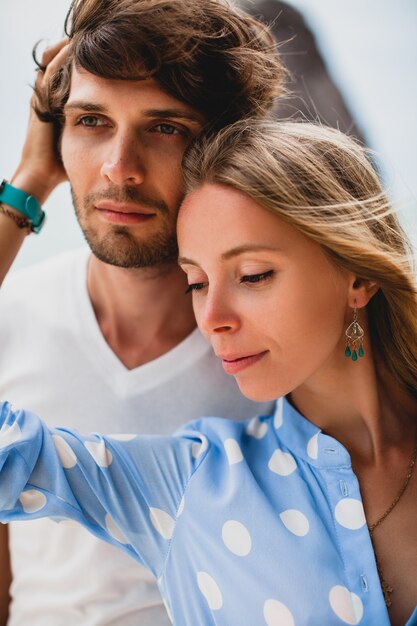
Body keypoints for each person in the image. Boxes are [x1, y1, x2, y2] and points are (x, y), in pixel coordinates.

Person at [1, 118, 417, 626]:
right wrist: (27, 187)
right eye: (195, 282)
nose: (213, 319)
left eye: (252, 275)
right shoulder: (185, 482)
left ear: (359, 276)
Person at [0, 1, 283, 624]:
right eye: (91, 120)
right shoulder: (12, 316)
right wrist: (29, 179)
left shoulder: (276, 351)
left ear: (226, 147)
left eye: (165, 128)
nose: (118, 169)